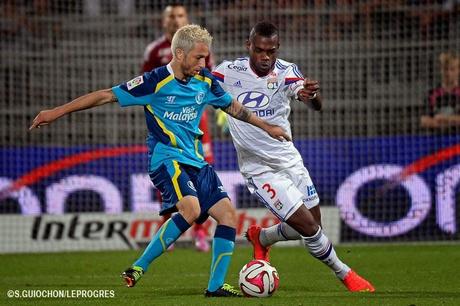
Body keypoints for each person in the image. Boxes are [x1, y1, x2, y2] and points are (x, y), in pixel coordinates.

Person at [29, 24, 290, 297]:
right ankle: (138, 267)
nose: (204, 63)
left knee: (227, 216)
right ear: (179, 54)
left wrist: (267, 127)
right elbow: (106, 95)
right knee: (190, 209)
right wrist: (56, 112)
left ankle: (215, 287)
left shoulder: (205, 80)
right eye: (198, 57)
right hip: (166, 159)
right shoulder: (154, 82)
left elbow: (233, 107)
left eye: (206, 57)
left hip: (196, 161)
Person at [212, 21, 375, 293]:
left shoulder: (286, 72)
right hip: (258, 168)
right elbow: (199, 90)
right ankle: (345, 273)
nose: (266, 57)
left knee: (313, 227)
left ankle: (261, 238)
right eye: (260, 50)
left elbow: (312, 101)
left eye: (271, 51)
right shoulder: (227, 72)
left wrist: (311, 95)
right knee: (310, 228)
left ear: (277, 49)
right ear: (249, 46)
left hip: (290, 160)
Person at [142, 3, 214, 252]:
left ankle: (201, 233)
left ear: (187, 18)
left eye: (180, 15)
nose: (175, 20)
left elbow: (209, 83)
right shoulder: (154, 51)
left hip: (195, 123)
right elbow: (147, 88)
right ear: (164, 22)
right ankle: (166, 227)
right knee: (169, 175)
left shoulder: (199, 49)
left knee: (201, 173)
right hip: (168, 123)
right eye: (171, 16)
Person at [420, 52, 460, 130]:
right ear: (441, 70)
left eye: (452, 69)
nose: (448, 73)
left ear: (458, 70)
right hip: (437, 140)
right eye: (445, 69)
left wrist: (445, 119)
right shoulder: (432, 94)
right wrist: (453, 121)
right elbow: (424, 121)